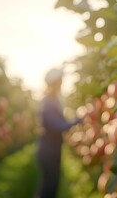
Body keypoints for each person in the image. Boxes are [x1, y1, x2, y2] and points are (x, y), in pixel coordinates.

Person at [36, 68, 82, 198]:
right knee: (49, 187)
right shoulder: (48, 102)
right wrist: (77, 121)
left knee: (51, 185)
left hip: (53, 149)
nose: (62, 84)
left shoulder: (54, 100)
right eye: (60, 81)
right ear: (55, 83)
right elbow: (57, 126)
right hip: (48, 151)